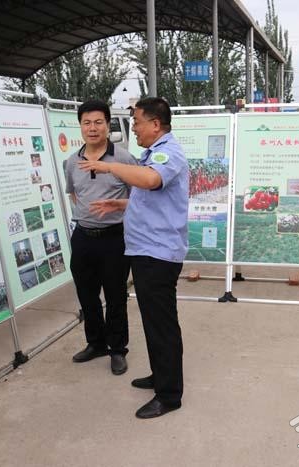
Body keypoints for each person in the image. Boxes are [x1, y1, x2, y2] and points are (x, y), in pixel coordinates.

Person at [79, 97, 188, 419]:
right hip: (146, 250)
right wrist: (121, 205)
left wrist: (109, 166)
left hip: (158, 253)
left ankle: (169, 395)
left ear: (155, 124)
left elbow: (151, 180)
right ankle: (161, 375)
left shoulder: (168, 153)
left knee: (162, 324)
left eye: (137, 122)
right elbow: (154, 197)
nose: (134, 129)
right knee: (154, 322)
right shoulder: (153, 153)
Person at [65, 100, 136, 375]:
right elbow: (74, 194)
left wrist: (115, 208)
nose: (92, 128)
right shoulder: (72, 161)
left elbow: (140, 197)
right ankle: (96, 343)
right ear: (80, 126)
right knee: (87, 294)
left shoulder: (124, 159)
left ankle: (117, 349)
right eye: (87, 123)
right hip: (83, 236)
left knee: (116, 296)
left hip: (114, 238)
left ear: (108, 125)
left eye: (98, 122)